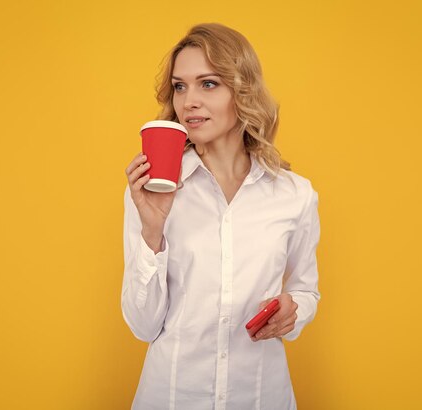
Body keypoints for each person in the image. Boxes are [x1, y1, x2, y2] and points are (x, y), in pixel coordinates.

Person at [122, 23, 321, 410]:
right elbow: (143, 326)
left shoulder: (294, 195)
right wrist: (152, 230)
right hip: (172, 396)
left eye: (208, 83)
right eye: (180, 86)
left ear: (242, 90)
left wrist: (293, 311)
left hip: (261, 395)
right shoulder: (152, 189)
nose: (189, 101)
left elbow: (306, 290)